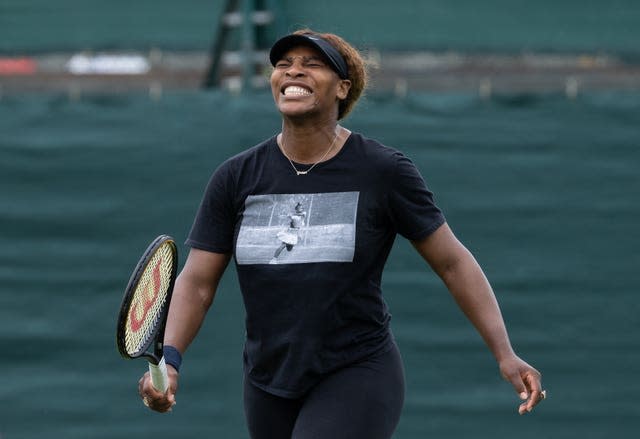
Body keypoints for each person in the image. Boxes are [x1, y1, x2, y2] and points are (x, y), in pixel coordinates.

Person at [138, 29, 546, 438]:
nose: (293, 72)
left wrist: (505, 354)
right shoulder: (235, 177)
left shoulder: (383, 171)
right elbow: (197, 283)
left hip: (357, 371)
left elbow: (453, 263)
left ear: (343, 88)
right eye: (283, 65)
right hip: (267, 380)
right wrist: (170, 360)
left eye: (312, 64)